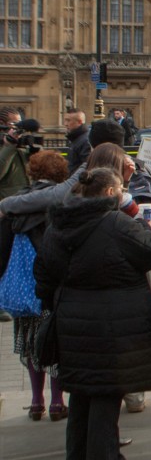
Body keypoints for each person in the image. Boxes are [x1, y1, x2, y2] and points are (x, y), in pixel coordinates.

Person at [36, 167, 151, 460]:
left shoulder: (58, 225)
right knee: (106, 404)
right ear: (111, 193)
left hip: (72, 326)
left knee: (81, 399)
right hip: (113, 330)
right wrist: (146, 225)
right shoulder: (118, 223)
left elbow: (43, 275)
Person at [1, 150, 69, 422]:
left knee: (31, 346)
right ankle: (56, 402)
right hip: (51, 286)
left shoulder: (16, 204)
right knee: (54, 344)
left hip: (23, 287)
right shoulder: (61, 203)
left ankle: (35, 401)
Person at [0, 106, 30, 200]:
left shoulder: (19, 143)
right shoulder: (9, 145)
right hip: (5, 204)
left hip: (25, 200)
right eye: (14, 124)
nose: (18, 128)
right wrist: (9, 146)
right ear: (1, 124)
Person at [63, 109, 90, 174]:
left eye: (68, 120)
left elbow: (87, 167)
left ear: (80, 122)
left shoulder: (85, 141)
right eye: (65, 120)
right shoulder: (75, 138)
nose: (65, 124)